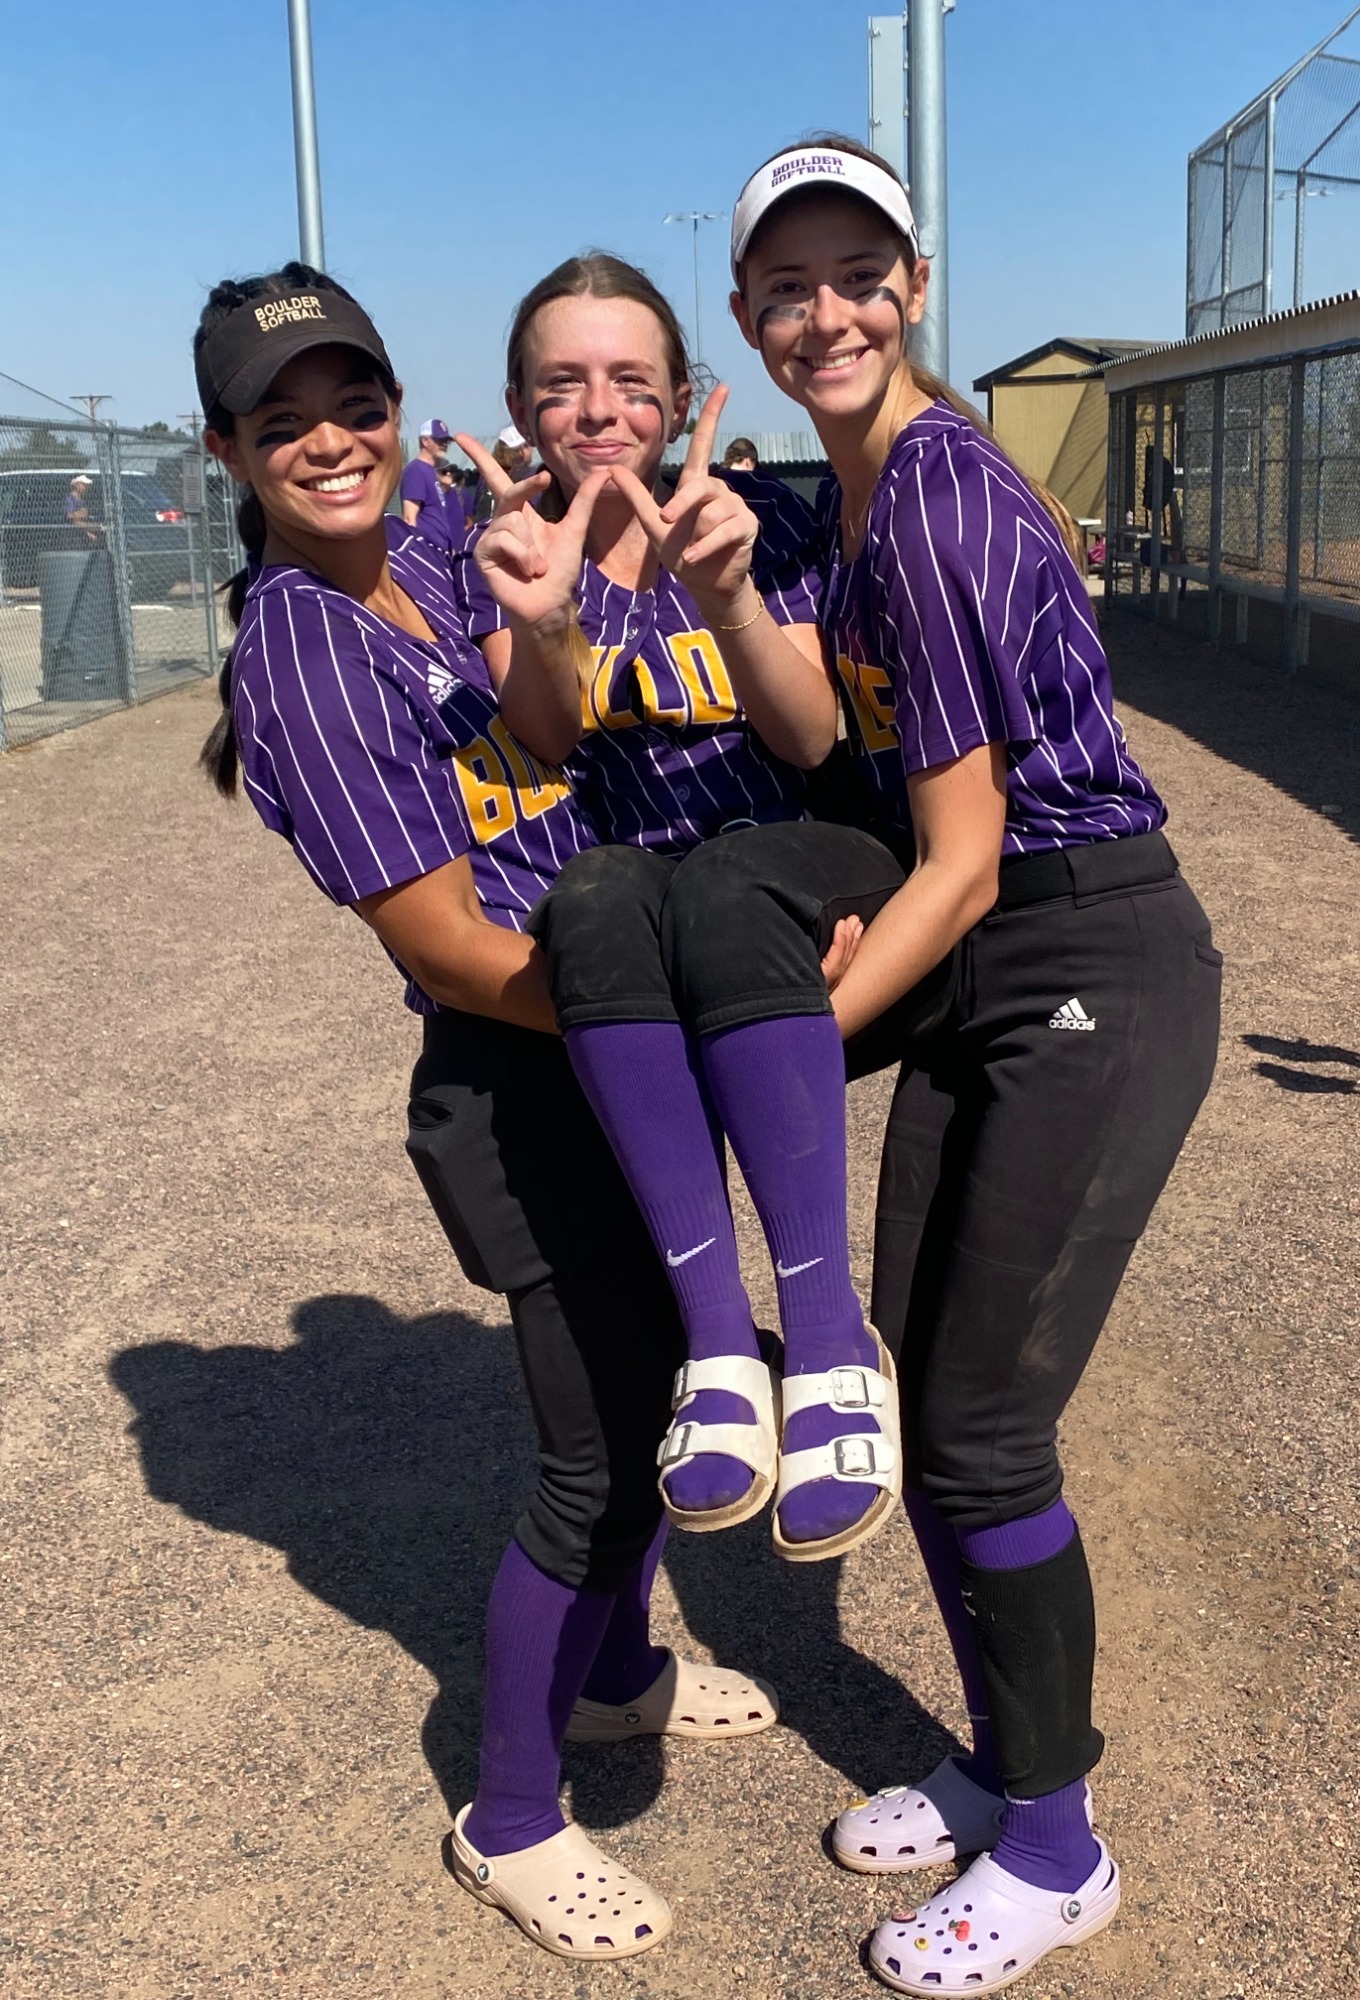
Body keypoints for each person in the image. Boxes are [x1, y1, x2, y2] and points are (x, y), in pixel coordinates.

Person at [192, 261, 777, 1968]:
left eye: (352, 405)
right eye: (281, 422)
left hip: (608, 1030)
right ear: (227, 450)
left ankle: (615, 1677)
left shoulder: (439, 543)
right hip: (525, 1067)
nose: (330, 443)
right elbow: (450, 949)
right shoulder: (294, 650)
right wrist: (662, 1014)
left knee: (691, 1366)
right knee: (600, 1459)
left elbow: (547, 723)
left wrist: (545, 614)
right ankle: (511, 1814)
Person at [726, 137, 1222, 1994]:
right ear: (749, 315)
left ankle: (1062, 1847)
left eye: (859, 273)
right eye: (788, 284)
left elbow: (969, 856)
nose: (825, 310)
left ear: (912, 288)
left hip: (1090, 953)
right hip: (1000, 956)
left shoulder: (932, 501)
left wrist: (778, 1059)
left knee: (991, 1429)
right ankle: (1006, 1763)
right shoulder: (848, 501)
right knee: (937, 1410)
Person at [453, 255, 930, 1566]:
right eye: (562, 384)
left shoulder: (756, 517)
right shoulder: (503, 542)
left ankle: (828, 1339)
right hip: (648, 898)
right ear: (518, 403)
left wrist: (719, 595)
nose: (598, 409)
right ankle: (720, 1345)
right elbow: (541, 746)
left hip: (795, 861)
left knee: (719, 881)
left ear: (679, 397)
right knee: (594, 890)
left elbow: (818, 734)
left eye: (630, 380)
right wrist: (547, 620)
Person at [401, 417, 454, 548]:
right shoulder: (416, 470)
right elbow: (409, 518)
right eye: (440, 440)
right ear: (425, 441)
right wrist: (417, 551)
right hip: (428, 549)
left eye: (446, 440)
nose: (445, 444)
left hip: (440, 548)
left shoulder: (431, 471)